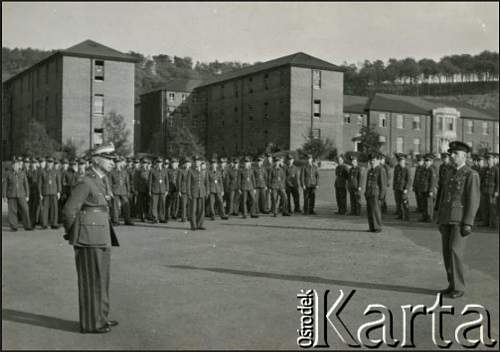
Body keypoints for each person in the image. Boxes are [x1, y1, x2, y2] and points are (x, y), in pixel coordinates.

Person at [62, 143, 120, 333]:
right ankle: (91, 323)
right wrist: (75, 233)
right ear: (97, 160)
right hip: (88, 237)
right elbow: (70, 210)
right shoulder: (85, 181)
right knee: (91, 281)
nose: (113, 162)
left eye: (113, 159)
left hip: (101, 235)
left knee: (102, 279)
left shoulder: (101, 180)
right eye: (109, 159)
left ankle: (101, 317)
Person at [436, 141, 480, 299]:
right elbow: (443, 197)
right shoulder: (449, 172)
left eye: (456, 154)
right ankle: (451, 284)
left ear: (464, 156)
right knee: (447, 253)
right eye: (451, 153)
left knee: (455, 252)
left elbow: (473, 200)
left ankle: (459, 287)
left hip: (459, 220)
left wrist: (468, 223)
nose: (452, 156)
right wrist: (439, 218)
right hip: (446, 218)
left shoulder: (471, 174)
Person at [2, 156, 32, 231]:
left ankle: (27, 225)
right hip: (11, 195)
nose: (16, 166)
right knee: (12, 211)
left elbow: (26, 185)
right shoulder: (8, 174)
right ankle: (14, 226)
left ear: (19, 166)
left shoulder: (22, 173)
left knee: (25, 209)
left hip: (21, 194)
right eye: (14, 165)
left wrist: (27, 195)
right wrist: (4, 196)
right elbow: (5, 185)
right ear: (12, 166)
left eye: (17, 165)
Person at [365, 153, 386, 233]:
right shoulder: (370, 170)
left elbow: (383, 185)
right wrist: (366, 192)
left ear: (378, 160)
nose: (372, 162)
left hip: (376, 194)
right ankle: (371, 227)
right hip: (369, 193)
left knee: (376, 211)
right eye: (371, 160)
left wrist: (381, 196)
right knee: (370, 211)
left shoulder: (381, 170)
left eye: (373, 160)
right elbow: (367, 183)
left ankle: (377, 227)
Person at [38, 157, 61, 229]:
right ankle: (44, 224)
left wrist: (59, 191)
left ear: (53, 163)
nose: (50, 164)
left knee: (54, 209)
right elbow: (40, 183)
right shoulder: (42, 171)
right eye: (49, 162)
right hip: (45, 192)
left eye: (51, 162)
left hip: (54, 192)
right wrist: (40, 193)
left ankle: (54, 223)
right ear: (47, 163)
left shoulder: (56, 171)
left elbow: (58, 182)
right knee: (45, 209)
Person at [110, 157, 134, 226]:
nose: (118, 164)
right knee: (115, 206)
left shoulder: (124, 171)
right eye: (116, 163)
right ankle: (115, 220)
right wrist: (110, 191)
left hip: (123, 190)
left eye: (119, 162)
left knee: (126, 206)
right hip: (115, 190)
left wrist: (128, 191)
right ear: (115, 164)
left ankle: (127, 220)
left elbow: (127, 182)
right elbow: (110, 182)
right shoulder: (112, 172)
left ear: (120, 163)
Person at [187, 156, 208, 230]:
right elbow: (188, 183)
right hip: (194, 192)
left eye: (198, 161)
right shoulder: (191, 171)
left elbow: (206, 182)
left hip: (202, 192)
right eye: (196, 161)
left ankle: (200, 224)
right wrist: (189, 193)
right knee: (193, 210)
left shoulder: (204, 171)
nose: (197, 163)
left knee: (201, 209)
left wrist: (207, 191)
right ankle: (193, 225)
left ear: (200, 162)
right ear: (194, 162)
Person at [478, 153, 499, 228]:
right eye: (487, 160)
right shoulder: (484, 169)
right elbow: (481, 180)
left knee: (492, 208)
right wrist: (480, 189)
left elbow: (498, 181)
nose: (488, 161)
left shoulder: (496, 169)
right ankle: (485, 222)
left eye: (490, 159)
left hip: (492, 191)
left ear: (493, 160)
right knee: (484, 207)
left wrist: (496, 191)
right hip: (484, 190)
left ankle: (493, 223)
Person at [149, 157, 169, 224]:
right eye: (158, 162)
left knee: (162, 205)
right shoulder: (152, 170)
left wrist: (167, 190)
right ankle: (155, 218)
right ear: (156, 163)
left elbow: (167, 181)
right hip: (155, 190)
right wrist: (149, 190)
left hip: (162, 190)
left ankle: (162, 218)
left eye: (160, 162)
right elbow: (150, 181)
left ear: (162, 163)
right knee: (154, 205)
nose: (159, 164)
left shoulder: (164, 170)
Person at [419, 153, 438, 222]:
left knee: (429, 204)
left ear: (431, 162)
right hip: (423, 189)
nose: (426, 162)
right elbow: (421, 179)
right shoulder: (423, 169)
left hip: (429, 190)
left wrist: (431, 191)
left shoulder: (431, 170)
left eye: (428, 161)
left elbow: (432, 181)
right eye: (425, 161)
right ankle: (424, 216)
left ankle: (429, 217)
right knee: (424, 204)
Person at [393, 153, 410, 221]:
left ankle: (406, 216)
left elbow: (409, 180)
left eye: (402, 161)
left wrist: (406, 188)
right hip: (397, 187)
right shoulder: (397, 168)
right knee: (398, 202)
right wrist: (394, 187)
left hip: (403, 188)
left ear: (404, 161)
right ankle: (400, 215)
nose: (401, 162)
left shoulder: (406, 168)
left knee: (405, 203)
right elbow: (395, 178)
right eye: (400, 161)